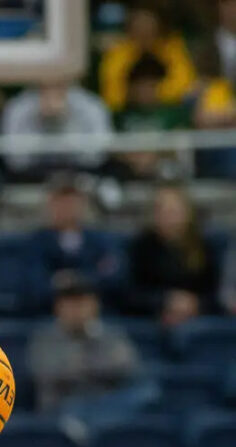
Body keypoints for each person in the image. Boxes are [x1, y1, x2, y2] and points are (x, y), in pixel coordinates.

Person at [28, 271, 140, 412]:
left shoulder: (111, 335)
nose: (77, 310)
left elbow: (125, 366)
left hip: (106, 409)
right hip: (61, 411)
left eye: (82, 303)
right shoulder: (44, 338)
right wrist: (95, 369)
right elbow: (48, 373)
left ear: (95, 306)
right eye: (70, 304)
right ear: (57, 307)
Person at [125, 183, 219, 323]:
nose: (166, 216)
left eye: (173, 211)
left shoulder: (204, 246)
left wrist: (194, 304)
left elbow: (215, 293)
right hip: (152, 317)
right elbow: (130, 294)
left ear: (187, 212)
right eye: (160, 210)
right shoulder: (140, 246)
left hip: (199, 317)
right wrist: (165, 301)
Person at [27, 176, 124, 306]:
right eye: (61, 203)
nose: (67, 210)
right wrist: (57, 284)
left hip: (97, 308)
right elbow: (34, 281)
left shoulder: (101, 241)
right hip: (49, 309)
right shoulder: (36, 242)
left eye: (72, 203)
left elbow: (112, 275)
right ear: (50, 206)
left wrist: (79, 280)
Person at [0, 81, 113, 178]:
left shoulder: (91, 104)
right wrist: (39, 120)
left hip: (79, 173)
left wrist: (66, 120)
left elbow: (96, 157)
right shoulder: (18, 106)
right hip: (33, 175)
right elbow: (15, 161)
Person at [99, 4, 195, 112]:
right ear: (130, 32)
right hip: (128, 115)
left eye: (149, 32)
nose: (144, 37)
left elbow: (185, 84)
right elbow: (111, 96)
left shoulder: (171, 48)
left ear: (158, 31)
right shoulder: (118, 53)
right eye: (139, 32)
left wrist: (158, 92)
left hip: (168, 112)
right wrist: (133, 94)